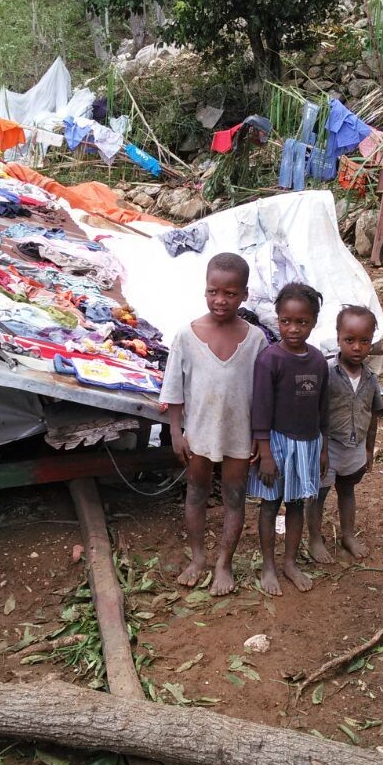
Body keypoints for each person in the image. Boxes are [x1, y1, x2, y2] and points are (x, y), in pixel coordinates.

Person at [160, 252, 268, 596]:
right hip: (199, 434)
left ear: (245, 295)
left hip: (239, 434)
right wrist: (177, 433)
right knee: (196, 493)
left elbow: (262, 395)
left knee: (235, 497)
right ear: (204, 290)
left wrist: (258, 436)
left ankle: (224, 562)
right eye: (213, 292)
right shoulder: (187, 336)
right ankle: (198, 558)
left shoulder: (256, 340)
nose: (220, 300)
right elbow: (173, 390)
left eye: (230, 293)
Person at [249, 283, 329, 596]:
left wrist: (322, 449)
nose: (293, 329)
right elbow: (260, 410)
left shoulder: (318, 361)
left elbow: (322, 409)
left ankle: (290, 562)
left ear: (314, 321)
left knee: (297, 505)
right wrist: (265, 452)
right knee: (270, 506)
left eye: (302, 322)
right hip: (277, 445)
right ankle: (269, 564)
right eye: (285, 321)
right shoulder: (270, 360)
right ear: (278, 318)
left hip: (308, 444)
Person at [307, 305, 383, 562]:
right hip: (328, 448)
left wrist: (369, 448)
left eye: (365, 341)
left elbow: (374, 414)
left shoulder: (371, 378)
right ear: (338, 337)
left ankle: (348, 534)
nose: (357, 347)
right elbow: (315, 414)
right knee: (319, 494)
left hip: (356, 446)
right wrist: (320, 449)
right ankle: (315, 538)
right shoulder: (326, 373)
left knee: (348, 490)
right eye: (349, 340)